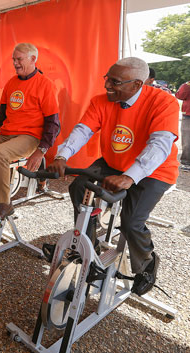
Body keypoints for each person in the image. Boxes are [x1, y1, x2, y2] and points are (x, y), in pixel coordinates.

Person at [48, 57, 180, 296]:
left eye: (115, 82)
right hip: (114, 163)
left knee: (131, 222)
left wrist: (130, 176)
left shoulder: (164, 103)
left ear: (137, 85)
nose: (107, 85)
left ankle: (147, 263)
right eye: (107, 78)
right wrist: (62, 155)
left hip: (154, 170)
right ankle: (89, 246)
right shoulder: (101, 101)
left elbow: (160, 145)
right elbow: (83, 130)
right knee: (78, 187)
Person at [0, 43, 60, 223]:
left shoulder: (45, 85)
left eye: (19, 59)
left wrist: (41, 151)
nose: (15, 63)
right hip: (7, 135)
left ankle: (3, 205)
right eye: (13, 59)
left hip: (29, 137)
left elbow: (53, 123)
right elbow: (1, 114)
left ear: (33, 59)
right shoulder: (11, 83)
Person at [175, 79, 190, 171]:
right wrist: (187, 85)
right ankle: (186, 162)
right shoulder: (187, 85)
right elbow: (179, 95)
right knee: (187, 140)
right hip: (188, 115)